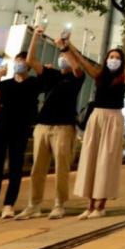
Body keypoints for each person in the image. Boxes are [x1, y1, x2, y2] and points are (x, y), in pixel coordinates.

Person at [16, 26, 85, 220]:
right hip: (43, 126)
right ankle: (34, 204)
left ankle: (59, 203)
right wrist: (35, 37)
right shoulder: (51, 75)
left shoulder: (77, 77)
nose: (62, 58)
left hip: (64, 126)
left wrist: (65, 47)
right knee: (37, 167)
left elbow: (77, 67)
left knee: (61, 167)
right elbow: (30, 61)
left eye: (65, 57)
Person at [65, 37, 125, 219]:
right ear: (106, 59)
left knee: (106, 161)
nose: (113, 59)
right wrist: (69, 45)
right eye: (111, 56)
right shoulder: (99, 76)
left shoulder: (124, 78)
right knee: (91, 159)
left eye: (117, 57)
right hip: (97, 117)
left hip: (113, 118)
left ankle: (100, 205)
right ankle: (89, 205)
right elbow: (82, 60)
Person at [0, 51, 43, 219]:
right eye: (17, 61)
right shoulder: (5, 85)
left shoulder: (34, 83)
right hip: (1, 128)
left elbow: (45, 78)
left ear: (28, 64)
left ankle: (9, 204)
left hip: (20, 128)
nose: (18, 64)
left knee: (15, 167)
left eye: (22, 61)